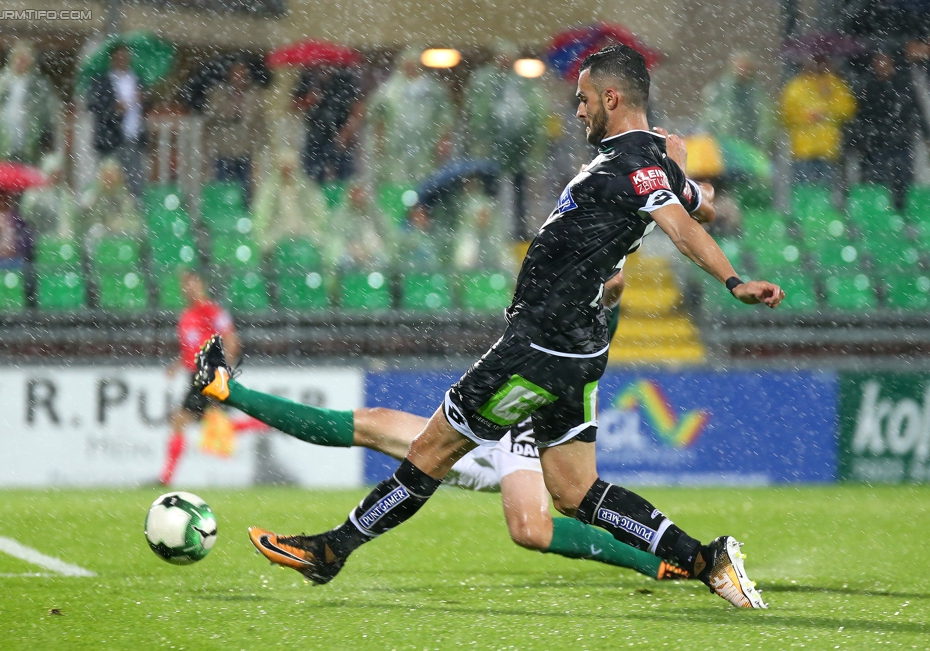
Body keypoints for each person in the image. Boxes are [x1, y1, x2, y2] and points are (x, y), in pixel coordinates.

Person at [197, 46, 782, 608]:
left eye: (582, 99)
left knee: (432, 449)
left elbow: (683, 226)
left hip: (538, 345)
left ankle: (332, 549)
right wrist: (683, 174)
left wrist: (732, 280)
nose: (575, 109)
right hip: (575, 345)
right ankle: (706, 559)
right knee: (575, 492)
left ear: (611, 97)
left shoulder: (632, 162)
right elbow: (695, 205)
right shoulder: (643, 161)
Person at [191, 276, 688, 583]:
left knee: (532, 529)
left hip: (531, 429)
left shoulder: (583, 316)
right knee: (373, 424)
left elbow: (602, 321)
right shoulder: (558, 295)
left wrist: (612, 295)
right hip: (499, 414)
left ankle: (659, 559)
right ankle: (225, 388)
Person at [160, 270, 241, 486]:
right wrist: (176, 365)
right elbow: (191, 349)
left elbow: (231, 338)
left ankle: (166, 478)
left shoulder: (212, 311)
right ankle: (262, 424)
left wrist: (223, 367)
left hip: (208, 373)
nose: (190, 289)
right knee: (217, 422)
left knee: (181, 420)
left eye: (194, 284)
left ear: (202, 285)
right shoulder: (187, 316)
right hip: (194, 374)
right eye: (186, 286)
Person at [464, 42, 550, 242]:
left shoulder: (522, 82)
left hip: (517, 144)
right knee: (490, 189)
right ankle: (488, 230)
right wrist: (481, 137)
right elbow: (477, 109)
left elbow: (535, 109)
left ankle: (520, 228)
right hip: (491, 143)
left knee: (518, 189)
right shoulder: (484, 80)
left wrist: (532, 139)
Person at [365, 47, 455, 226]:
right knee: (396, 183)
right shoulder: (390, 90)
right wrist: (379, 139)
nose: (410, 68)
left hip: (424, 146)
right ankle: (395, 223)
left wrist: (443, 139)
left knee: (423, 182)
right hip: (396, 148)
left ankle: (422, 222)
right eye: (407, 64)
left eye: (413, 64)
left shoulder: (432, 90)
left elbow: (445, 116)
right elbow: (377, 115)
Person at [851, 50, 927, 212]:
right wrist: (860, 140)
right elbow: (860, 116)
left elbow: (916, 110)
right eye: (879, 63)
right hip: (877, 144)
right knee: (876, 185)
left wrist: (926, 134)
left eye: (885, 62)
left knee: (904, 184)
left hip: (900, 142)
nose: (882, 66)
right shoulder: (868, 87)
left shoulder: (902, 85)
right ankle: (879, 217)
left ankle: (904, 215)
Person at [780, 55, 856, 188]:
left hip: (828, 147)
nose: (817, 66)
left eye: (821, 62)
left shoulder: (835, 84)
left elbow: (848, 110)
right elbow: (785, 114)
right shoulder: (796, 86)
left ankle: (823, 209)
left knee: (825, 189)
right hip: (803, 149)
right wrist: (805, 116)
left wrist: (829, 105)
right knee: (803, 189)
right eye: (814, 62)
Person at [86, 45, 147, 203]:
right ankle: (106, 218)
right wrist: (114, 109)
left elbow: (146, 107)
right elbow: (93, 106)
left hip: (133, 138)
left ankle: (134, 218)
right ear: (112, 59)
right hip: (110, 140)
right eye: (119, 56)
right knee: (108, 182)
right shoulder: (101, 81)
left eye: (125, 56)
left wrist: (144, 100)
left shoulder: (137, 79)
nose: (122, 60)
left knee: (135, 182)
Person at [0, 41, 58, 166]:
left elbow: (48, 115)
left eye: (25, 59)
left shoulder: (40, 85)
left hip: (30, 143)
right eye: (18, 59)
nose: (21, 63)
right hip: (1, 140)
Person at [204, 60, 265, 208]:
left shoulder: (254, 95)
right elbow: (209, 116)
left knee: (246, 187)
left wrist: (261, 145)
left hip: (244, 150)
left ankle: (244, 214)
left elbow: (260, 122)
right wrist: (228, 107)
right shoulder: (218, 93)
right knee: (223, 186)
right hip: (224, 149)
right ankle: (224, 213)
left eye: (243, 75)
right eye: (236, 74)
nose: (239, 78)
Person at [294, 65, 362, 186]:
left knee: (344, 175)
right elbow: (296, 104)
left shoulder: (345, 79)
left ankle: (340, 199)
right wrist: (308, 100)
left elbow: (356, 107)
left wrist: (347, 131)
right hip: (315, 134)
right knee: (312, 175)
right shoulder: (309, 78)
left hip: (339, 132)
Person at [700, 51, 774, 152]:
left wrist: (764, 141)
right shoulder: (720, 90)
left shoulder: (757, 93)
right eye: (740, 66)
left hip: (750, 145)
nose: (742, 70)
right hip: (725, 145)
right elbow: (710, 116)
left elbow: (765, 118)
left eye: (746, 67)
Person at [78, 157, 142, 250]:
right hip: (98, 229)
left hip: (118, 230)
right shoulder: (93, 192)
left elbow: (132, 217)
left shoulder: (122, 193)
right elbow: (84, 217)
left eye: (112, 175)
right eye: (106, 175)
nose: (109, 179)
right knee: (93, 233)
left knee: (137, 234)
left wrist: (121, 223)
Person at [19, 152, 80, 239]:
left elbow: (69, 217)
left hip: (59, 240)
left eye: (59, 173)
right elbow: (27, 213)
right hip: (40, 237)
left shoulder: (63, 193)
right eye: (55, 173)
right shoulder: (35, 191)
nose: (57, 177)